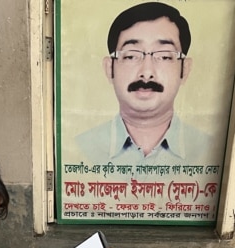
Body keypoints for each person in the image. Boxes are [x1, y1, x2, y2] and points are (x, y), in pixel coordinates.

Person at [74, 2, 213, 170]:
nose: (147, 73)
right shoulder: (80, 148)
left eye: (164, 56)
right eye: (131, 56)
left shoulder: (208, 149)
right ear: (109, 68)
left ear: (184, 69)